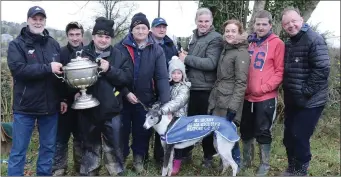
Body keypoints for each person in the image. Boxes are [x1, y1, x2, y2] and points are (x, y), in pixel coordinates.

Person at [6, 6, 65, 176]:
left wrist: (62, 99)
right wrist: (48, 68)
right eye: (35, 19)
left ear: (45, 21)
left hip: (50, 108)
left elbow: (58, 75)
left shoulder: (53, 44)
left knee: (48, 149)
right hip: (25, 108)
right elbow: (19, 71)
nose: (38, 22)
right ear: (28, 20)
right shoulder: (16, 45)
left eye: (41, 19)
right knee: (18, 151)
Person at [76, 17, 133, 176]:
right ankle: (89, 172)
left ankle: (115, 173)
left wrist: (109, 69)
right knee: (90, 147)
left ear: (111, 39)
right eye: (100, 36)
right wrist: (73, 91)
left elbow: (127, 78)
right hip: (88, 110)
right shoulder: (81, 54)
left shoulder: (120, 55)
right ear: (93, 37)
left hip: (112, 110)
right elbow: (69, 80)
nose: (103, 40)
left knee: (114, 147)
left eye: (107, 37)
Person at [114, 12, 170, 173]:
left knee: (141, 131)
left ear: (148, 30)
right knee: (122, 131)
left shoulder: (156, 49)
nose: (140, 31)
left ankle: (139, 159)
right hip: (123, 98)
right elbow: (114, 74)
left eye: (143, 28)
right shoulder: (120, 47)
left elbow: (161, 77)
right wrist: (125, 92)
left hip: (145, 100)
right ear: (131, 30)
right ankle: (121, 159)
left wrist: (165, 103)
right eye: (137, 28)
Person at [281, 7, 330, 176]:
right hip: (292, 99)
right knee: (288, 136)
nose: (291, 25)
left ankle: (300, 170)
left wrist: (305, 91)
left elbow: (322, 69)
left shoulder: (313, 39)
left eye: (294, 21)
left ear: (301, 20)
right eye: (286, 23)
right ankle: (291, 167)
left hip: (311, 101)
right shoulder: (289, 43)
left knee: (299, 136)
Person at [240, 10, 285, 176]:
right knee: (245, 130)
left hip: (265, 97)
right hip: (247, 96)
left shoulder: (277, 43)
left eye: (264, 24)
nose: (260, 27)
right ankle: (247, 160)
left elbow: (280, 72)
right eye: (257, 24)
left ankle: (264, 164)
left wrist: (263, 88)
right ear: (254, 25)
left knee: (263, 130)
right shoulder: (250, 42)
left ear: (270, 25)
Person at [178, 7, 224, 167]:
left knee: (205, 124)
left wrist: (187, 58)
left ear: (211, 22)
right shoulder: (193, 37)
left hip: (206, 88)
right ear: (196, 21)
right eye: (200, 21)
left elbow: (211, 63)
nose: (203, 24)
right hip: (191, 87)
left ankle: (208, 157)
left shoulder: (216, 38)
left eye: (206, 21)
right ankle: (187, 153)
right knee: (190, 123)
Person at [207, 19, 250, 174]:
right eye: (227, 31)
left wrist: (234, 107)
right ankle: (224, 164)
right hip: (219, 98)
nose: (230, 34)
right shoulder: (227, 49)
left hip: (230, 101)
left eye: (233, 31)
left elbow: (241, 83)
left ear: (240, 33)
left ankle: (236, 165)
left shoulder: (241, 53)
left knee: (229, 135)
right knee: (219, 134)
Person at [52, 21, 84, 176]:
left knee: (80, 136)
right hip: (65, 101)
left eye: (77, 34)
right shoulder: (61, 53)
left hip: (83, 101)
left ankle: (80, 166)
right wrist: (62, 99)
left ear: (82, 36)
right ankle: (59, 167)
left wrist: (83, 93)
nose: (75, 38)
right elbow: (57, 80)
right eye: (71, 35)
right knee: (61, 136)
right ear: (67, 36)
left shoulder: (88, 53)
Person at [150, 17, 179, 163]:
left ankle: (161, 157)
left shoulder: (169, 44)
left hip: (166, 89)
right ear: (152, 28)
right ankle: (142, 157)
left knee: (164, 122)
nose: (162, 29)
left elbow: (175, 65)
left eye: (164, 27)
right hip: (148, 88)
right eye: (158, 27)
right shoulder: (146, 43)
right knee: (149, 121)